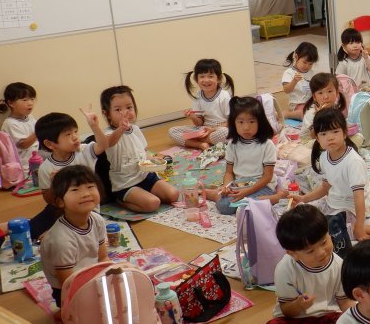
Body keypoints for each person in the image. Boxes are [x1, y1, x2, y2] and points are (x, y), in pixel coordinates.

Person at [262, 205, 350, 324]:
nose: (321, 252)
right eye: (310, 251)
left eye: (324, 242)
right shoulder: (285, 269)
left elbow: (344, 301)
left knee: (349, 320)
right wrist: (299, 305)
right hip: (295, 322)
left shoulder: (339, 264)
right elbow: (286, 310)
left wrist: (360, 314)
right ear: (293, 254)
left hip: (325, 319)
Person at [292, 108, 370, 241]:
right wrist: (304, 199)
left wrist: (360, 228)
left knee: (334, 234)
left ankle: (367, 228)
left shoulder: (353, 161)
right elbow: (325, 187)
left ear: (345, 133)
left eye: (335, 131)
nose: (330, 137)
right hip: (331, 204)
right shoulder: (324, 157)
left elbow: (359, 197)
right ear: (317, 138)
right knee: (300, 215)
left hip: (351, 208)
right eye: (323, 134)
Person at [32, 110, 109, 239]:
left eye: (75, 132)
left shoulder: (83, 151)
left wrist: (94, 126)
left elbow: (104, 145)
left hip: (88, 207)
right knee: (34, 230)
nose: (75, 137)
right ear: (50, 144)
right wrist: (55, 185)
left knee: (84, 232)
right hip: (62, 210)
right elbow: (48, 199)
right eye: (68, 134)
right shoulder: (46, 168)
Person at [100, 85, 179, 213]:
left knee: (173, 194)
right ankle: (121, 201)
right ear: (107, 114)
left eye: (129, 107)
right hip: (126, 184)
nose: (125, 112)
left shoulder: (135, 129)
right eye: (118, 109)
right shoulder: (109, 134)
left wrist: (154, 160)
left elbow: (143, 151)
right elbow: (109, 142)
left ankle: (145, 194)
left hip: (145, 175)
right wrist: (121, 129)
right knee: (153, 203)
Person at [39, 165, 109, 309]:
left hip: (92, 275)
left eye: (90, 187)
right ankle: (64, 312)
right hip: (68, 288)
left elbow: (103, 258)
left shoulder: (97, 220)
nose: (86, 194)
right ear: (60, 201)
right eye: (75, 190)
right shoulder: (61, 239)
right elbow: (67, 283)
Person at [213, 96, 277, 215]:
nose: (246, 127)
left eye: (252, 122)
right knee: (223, 206)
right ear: (234, 123)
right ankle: (216, 194)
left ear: (260, 122)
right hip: (239, 185)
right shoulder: (232, 144)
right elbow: (229, 172)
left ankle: (277, 197)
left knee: (248, 206)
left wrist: (246, 192)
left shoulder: (267, 145)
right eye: (241, 122)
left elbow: (267, 177)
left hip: (262, 186)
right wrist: (226, 186)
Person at [168, 58, 236, 150]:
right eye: (202, 76)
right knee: (172, 131)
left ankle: (196, 140)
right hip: (203, 129)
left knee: (226, 133)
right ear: (196, 79)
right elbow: (199, 123)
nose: (206, 80)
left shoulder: (224, 95)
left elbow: (231, 120)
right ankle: (200, 144)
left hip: (220, 128)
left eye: (210, 76)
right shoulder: (198, 96)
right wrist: (193, 117)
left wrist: (213, 129)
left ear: (219, 79)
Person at [0, 81, 39, 175]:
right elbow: (23, 145)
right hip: (24, 163)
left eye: (32, 99)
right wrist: (39, 130)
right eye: (24, 100)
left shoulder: (30, 117)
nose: (30, 103)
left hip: (36, 155)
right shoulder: (10, 123)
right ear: (11, 103)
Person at [281, 41, 320, 119]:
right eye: (304, 62)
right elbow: (286, 90)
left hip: (312, 102)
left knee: (324, 110)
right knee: (306, 114)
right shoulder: (289, 73)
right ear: (296, 57)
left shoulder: (312, 73)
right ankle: (288, 114)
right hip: (298, 104)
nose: (307, 66)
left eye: (310, 64)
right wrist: (294, 81)